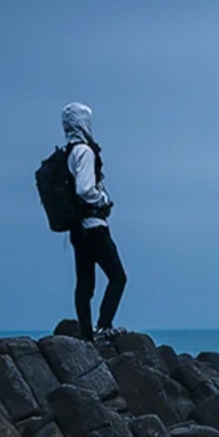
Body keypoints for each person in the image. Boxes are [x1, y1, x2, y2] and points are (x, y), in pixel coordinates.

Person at [58, 102, 127, 341]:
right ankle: (104, 326)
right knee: (118, 277)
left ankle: (87, 335)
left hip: (77, 230)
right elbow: (84, 189)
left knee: (85, 284)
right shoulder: (84, 152)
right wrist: (103, 199)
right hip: (94, 227)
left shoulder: (68, 152)